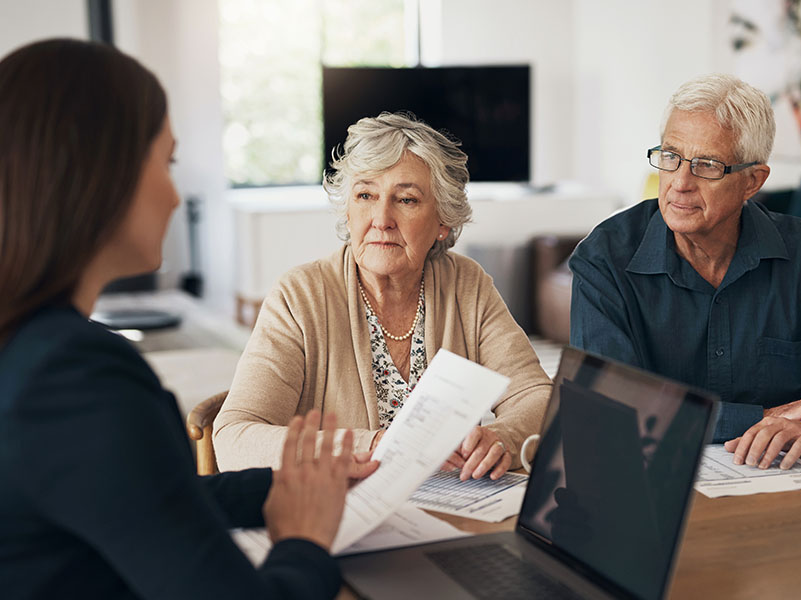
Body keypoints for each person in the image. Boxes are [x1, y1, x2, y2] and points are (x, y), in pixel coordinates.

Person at [0, 38, 376, 599]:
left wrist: (294, 483)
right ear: (101, 174)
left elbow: (143, 500)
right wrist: (304, 540)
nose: (176, 197)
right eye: (167, 162)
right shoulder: (75, 375)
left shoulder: (31, 353)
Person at [214, 112, 552, 480]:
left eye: (406, 200)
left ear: (443, 221)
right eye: (365, 195)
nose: (381, 219)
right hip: (339, 506)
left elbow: (537, 395)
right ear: (348, 210)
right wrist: (373, 447)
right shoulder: (298, 298)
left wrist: (502, 438)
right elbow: (234, 439)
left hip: (450, 502)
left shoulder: (466, 285)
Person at [569, 74, 801, 470]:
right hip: (645, 481)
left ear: (752, 181)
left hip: (781, 481)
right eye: (670, 157)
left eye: (707, 165)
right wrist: (767, 417)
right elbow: (608, 404)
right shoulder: (603, 259)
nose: (680, 183)